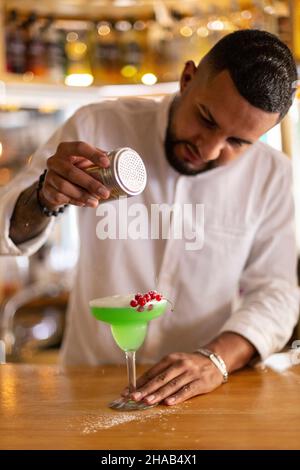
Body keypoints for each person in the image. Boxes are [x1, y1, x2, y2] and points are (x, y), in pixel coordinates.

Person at [0, 29, 299, 407]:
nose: (208, 150)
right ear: (187, 80)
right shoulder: (96, 125)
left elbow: (277, 293)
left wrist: (215, 360)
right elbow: (5, 231)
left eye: (237, 143)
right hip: (90, 385)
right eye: (206, 119)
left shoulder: (271, 174)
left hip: (201, 397)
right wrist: (44, 195)